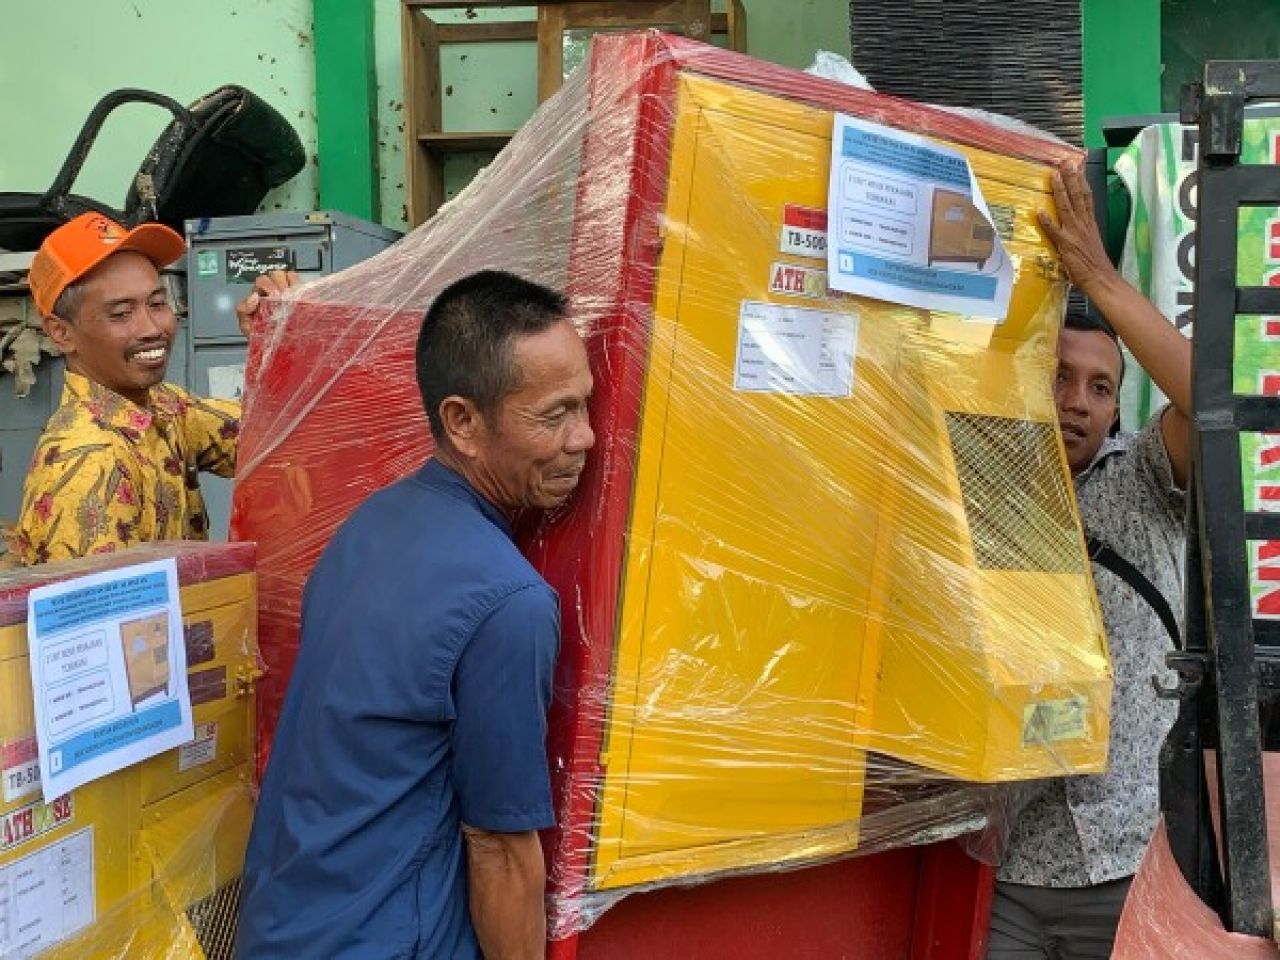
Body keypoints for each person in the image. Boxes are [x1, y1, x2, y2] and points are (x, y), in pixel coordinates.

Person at [235, 270, 595, 959]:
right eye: (553, 416)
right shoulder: (508, 602)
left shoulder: (369, 526)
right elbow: (501, 850)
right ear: (462, 422)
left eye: (585, 405)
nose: (584, 438)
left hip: (286, 925)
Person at [986, 163, 1191, 958]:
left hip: (1128, 865)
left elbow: (1206, 400)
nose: (1076, 399)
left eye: (1100, 387)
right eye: (1060, 376)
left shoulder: (1143, 483)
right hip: (1013, 870)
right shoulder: (984, 493)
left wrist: (1097, 279)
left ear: (1115, 407)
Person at [11, 212, 294, 565]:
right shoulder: (87, 458)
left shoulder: (164, 406)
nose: (152, 328)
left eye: (157, 304)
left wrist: (277, 340)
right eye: (121, 314)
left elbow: (275, 441)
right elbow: (102, 614)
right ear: (61, 333)